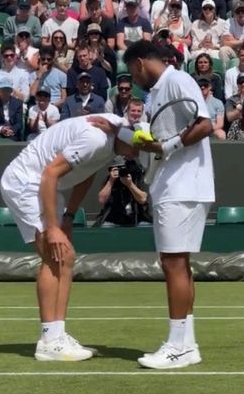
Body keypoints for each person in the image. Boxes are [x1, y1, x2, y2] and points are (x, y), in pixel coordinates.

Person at [0, 113, 138, 361]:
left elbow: (87, 174)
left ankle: (57, 335)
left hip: (45, 184)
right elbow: (50, 174)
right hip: (28, 182)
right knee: (57, 257)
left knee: (65, 257)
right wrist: (53, 228)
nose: (137, 154)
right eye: (136, 147)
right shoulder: (96, 139)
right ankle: (49, 341)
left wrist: (69, 216)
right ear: (127, 135)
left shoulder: (114, 141)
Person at [113, 40, 214, 369]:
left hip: (183, 186)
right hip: (172, 185)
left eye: (132, 71)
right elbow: (153, 142)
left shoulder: (177, 81)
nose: (133, 78)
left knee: (172, 264)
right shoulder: (155, 93)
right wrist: (129, 134)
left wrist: (166, 145)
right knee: (179, 264)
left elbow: (204, 124)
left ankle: (177, 346)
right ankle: (188, 343)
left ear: (141, 63)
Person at [93, 155, 151, 227]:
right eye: (118, 169)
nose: (122, 171)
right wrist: (111, 181)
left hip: (137, 217)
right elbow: (102, 200)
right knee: (106, 226)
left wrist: (130, 184)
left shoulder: (137, 178)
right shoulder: (110, 180)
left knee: (145, 226)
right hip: (115, 218)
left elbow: (143, 199)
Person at [197, 75, 226, 140]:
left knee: (221, 134)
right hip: (197, 128)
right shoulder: (194, 103)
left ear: (210, 87)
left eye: (205, 85)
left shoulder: (218, 103)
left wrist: (208, 129)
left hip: (212, 128)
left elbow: (220, 124)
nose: (202, 87)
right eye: (200, 85)